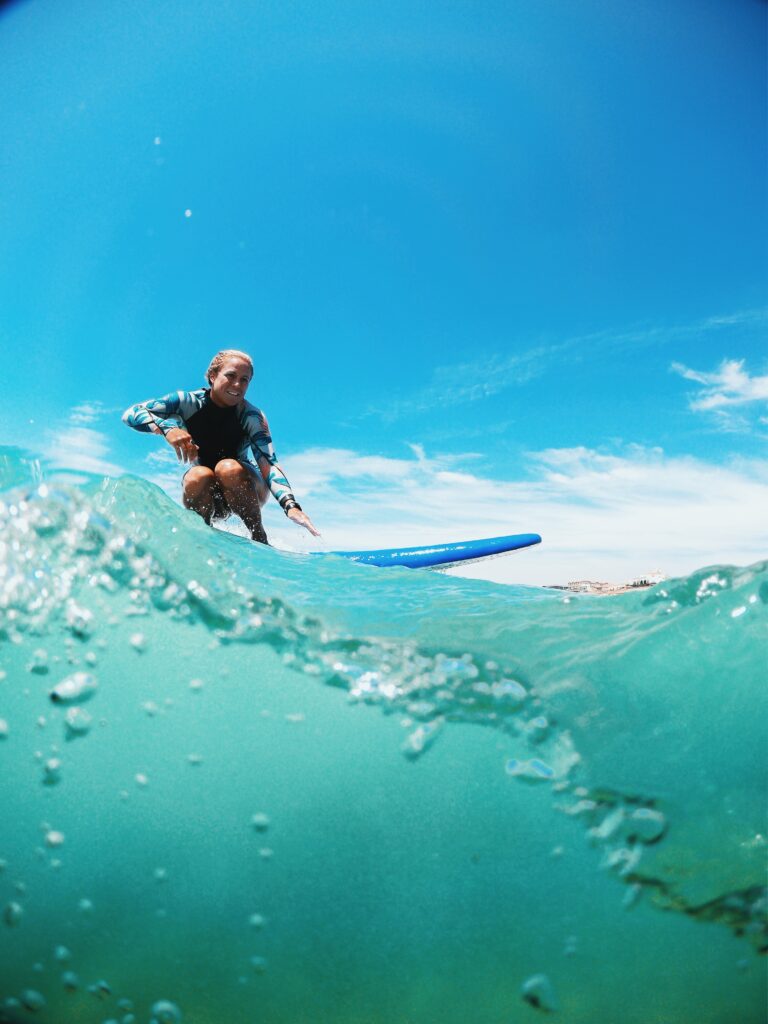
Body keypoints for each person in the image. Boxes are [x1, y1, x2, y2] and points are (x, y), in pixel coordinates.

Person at [122, 349, 319, 544]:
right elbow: (131, 413)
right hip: (208, 494)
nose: (237, 384)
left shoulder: (251, 416)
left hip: (245, 487)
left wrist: (291, 506)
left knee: (227, 467)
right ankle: (201, 539)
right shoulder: (187, 402)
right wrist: (168, 428)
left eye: (245, 380)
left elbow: (269, 463)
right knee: (196, 475)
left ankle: (259, 536)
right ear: (212, 376)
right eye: (231, 375)